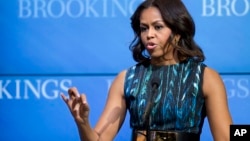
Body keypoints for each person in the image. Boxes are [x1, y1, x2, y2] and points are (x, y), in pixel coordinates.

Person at [61, 0, 233, 140]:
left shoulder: (204, 77)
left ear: (178, 31)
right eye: (144, 28)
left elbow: (227, 136)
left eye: (158, 27)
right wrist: (82, 123)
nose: (149, 34)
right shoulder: (127, 78)